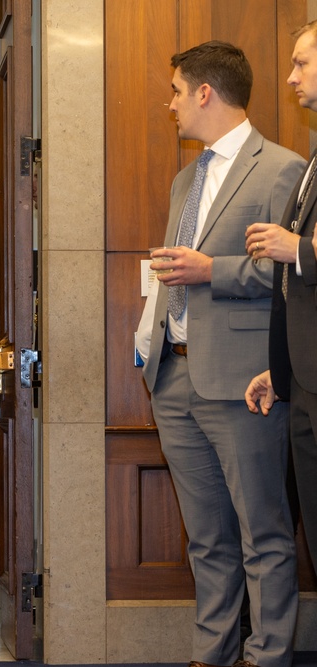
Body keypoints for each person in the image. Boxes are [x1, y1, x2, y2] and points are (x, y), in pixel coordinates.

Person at [134, 41, 304, 667]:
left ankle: (268, 657)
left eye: (176, 90)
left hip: (242, 379)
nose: (170, 103)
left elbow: (291, 275)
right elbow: (178, 272)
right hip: (173, 377)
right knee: (206, 538)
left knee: (263, 533)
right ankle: (213, 655)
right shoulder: (187, 177)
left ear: (205, 92)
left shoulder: (283, 169)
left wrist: (214, 270)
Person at [246, 20, 317, 603]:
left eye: (302, 63)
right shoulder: (315, 154)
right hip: (306, 380)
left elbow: (302, 260)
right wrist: (284, 365)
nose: (290, 76)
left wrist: (300, 249)